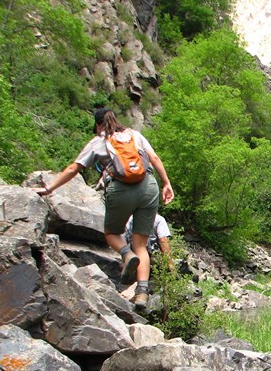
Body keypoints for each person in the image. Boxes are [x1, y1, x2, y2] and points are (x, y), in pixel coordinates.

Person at [33, 108, 174, 310]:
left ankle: (126, 254)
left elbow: (75, 168)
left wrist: (49, 188)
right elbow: (155, 159)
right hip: (149, 186)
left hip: (120, 190)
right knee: (141, 244)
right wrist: (167, 184)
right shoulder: (135, 135)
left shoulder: (99, 141)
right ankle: (142, 292)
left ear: (99, 125)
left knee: (111, 234)